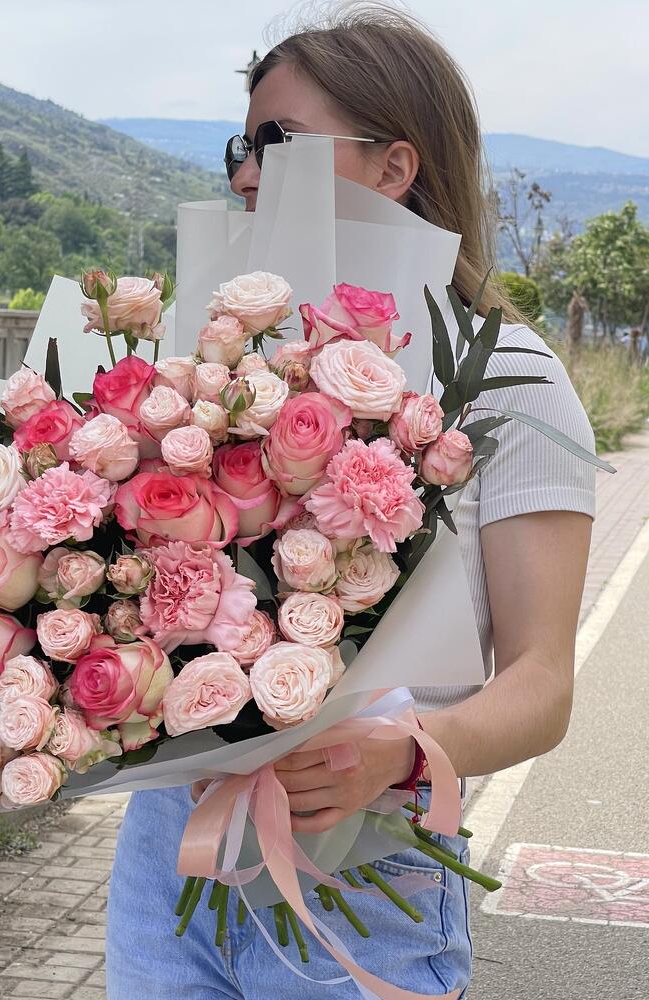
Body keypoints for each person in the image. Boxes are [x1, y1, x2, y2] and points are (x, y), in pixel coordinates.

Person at [106, 5, 596, 998]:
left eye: (278, 143)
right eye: (240, 147)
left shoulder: (511, 379)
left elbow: (542, 683)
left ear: (393, 166)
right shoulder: (221, 368)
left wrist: (404, 752)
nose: (246, 174)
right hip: (172, 853)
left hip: (365, 868)